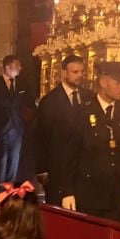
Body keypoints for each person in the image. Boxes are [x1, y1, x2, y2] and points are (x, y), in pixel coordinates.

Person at [60, 61, 120, 222]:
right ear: (103, 83)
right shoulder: (83, 112)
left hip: (117, 194)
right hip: (90, 193)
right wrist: (67, 192)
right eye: (118, 83)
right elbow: (69, 155)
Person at [35, 54, 94, 205]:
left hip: (83, 170)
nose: (79, 75)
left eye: (81, 72)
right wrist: (42, 171)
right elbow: (41, 139)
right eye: (75, 72)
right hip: (58, 168)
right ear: (63, 73)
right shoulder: (50, 101)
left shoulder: (89, 97)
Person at [0, 55, 26, 184]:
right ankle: (0, 189)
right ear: (8, 67)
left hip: (17, 129)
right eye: (17, 65)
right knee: (1, 160)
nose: (20, 68)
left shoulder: (21, 83)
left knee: (14, 161)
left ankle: (10, 189)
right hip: (1, 128)